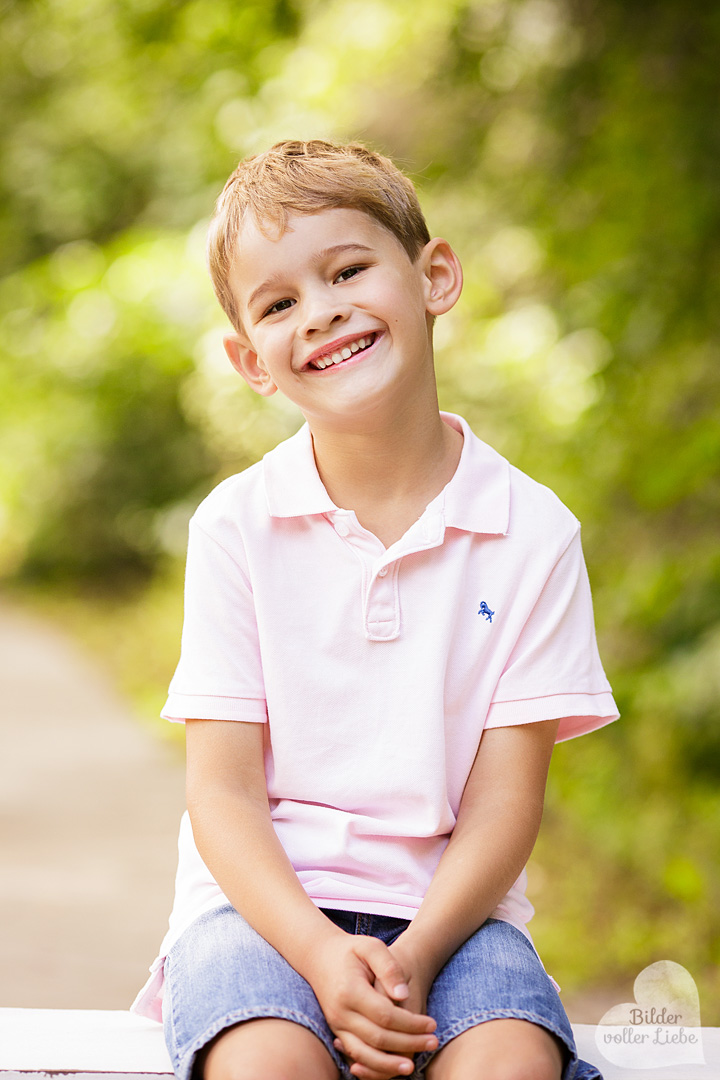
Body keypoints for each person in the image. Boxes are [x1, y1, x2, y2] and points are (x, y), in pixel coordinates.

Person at [131, 139, 618, 1080]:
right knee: (269, 1063)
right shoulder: (235, 525)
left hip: (455, 921)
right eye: (279, 304)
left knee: (511, 1063)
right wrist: (319, 953)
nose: (321, 312)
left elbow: (504, 802)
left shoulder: (535, 532)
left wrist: (418, 955)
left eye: (348, 269)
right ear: (252, 360)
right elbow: (222, 792)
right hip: (260, 914)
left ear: (434, 277)